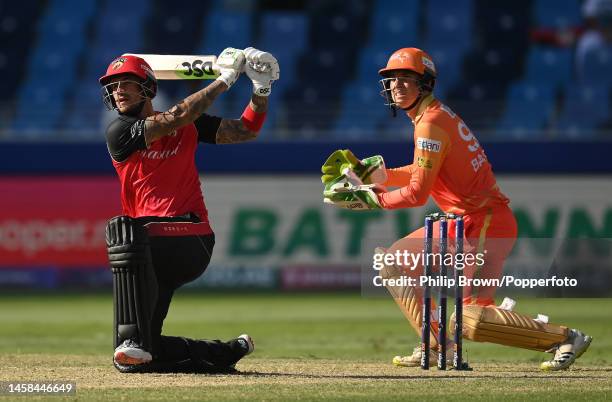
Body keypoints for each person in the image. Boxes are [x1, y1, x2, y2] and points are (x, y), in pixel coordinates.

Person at [322, 47, 591, 371]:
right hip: (461, 222)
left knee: (471, 320)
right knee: (391, 262)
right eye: (393, 79)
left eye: (407, 79)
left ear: (426, 84)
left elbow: (418, 193)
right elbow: (428, 171)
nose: (397, 85)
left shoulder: (431, 121)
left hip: (486, 222)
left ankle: (564, 337)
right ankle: (437, 347)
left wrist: (374, 198)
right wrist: (381, 176)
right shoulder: (431, 116)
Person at [99, 47, 279, 373]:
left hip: (190, 236)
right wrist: (224, 80)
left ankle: (132, 341)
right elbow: (177, 117)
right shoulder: (119, 131)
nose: (118, 91)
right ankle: (225, 353)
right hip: (148, 253)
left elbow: (246, 130)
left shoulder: (190, 125)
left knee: (125, 229)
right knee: (139, 360)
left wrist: (260, 89)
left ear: (148, 88)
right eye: (113, 86)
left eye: (126, 82)